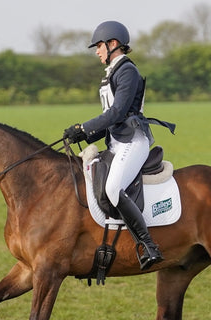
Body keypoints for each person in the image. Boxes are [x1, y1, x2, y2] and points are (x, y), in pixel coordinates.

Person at [64, 21, 175, 271]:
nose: (97, 51)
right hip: (117, 141)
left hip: (133, 141)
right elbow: (111, 118)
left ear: (113, 44)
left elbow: (117, 112)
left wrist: (85, 128)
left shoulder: (127, 72)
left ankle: (148, 245)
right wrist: (83, 136)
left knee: (114, 188)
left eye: (99, 46)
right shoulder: (113, 72)